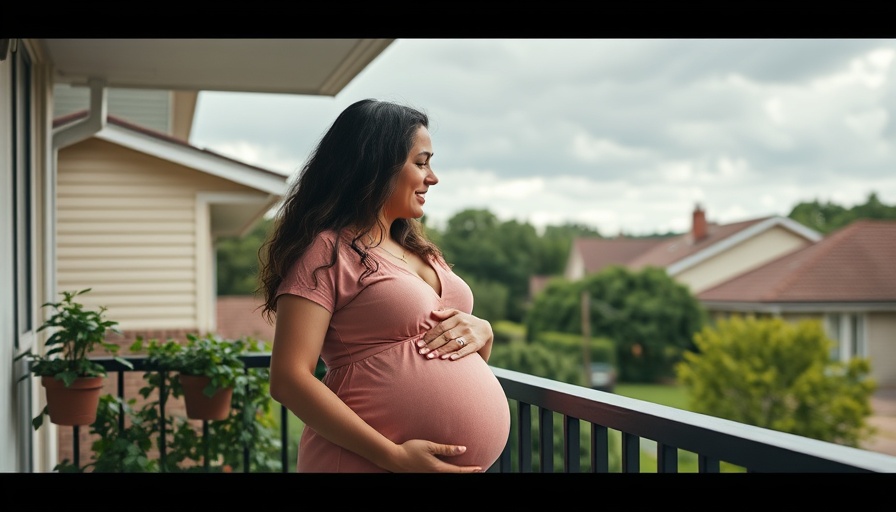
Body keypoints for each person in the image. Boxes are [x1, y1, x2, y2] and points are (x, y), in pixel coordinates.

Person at [259, 98, 511, 473]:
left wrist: (483, 333)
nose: (433, 177)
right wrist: (393, 457)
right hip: (364, 461)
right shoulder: (327, 251)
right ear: (377, 164)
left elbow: (441, 354)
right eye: (421, 163)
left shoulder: (420, 250)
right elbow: (288, 379)